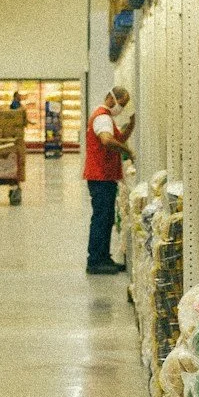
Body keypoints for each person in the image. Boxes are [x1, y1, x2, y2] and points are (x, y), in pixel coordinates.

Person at [84, 85, 133, 275]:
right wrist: (127, 151)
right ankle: (95, 260)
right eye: (121, 104)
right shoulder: (103, 117)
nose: (121, 108)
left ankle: (103, 257)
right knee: (101, 218)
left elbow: (118, 138)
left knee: (106, 218)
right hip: (101, 176)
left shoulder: (106, 118)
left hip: (104, 176)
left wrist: (131, 125)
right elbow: (107, 140)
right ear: (112, 99)